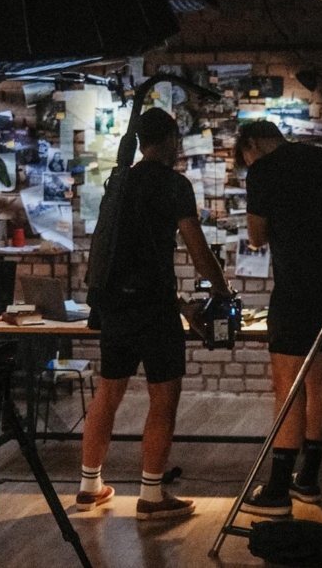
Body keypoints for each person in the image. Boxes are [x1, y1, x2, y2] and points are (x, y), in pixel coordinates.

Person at [77, 108, 231, 520]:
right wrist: (222, 289)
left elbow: (123, 254)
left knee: (107, 393)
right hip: (153, 309)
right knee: (163, 399)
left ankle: (89, 486)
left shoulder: (119, 180)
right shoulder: (174, 185)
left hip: (115, 305)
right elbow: (197, 250)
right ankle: (151, 496)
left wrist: (181, 304)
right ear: (170, 140)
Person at [234, 121, 322, 516]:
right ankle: (309, 480)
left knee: (287, 384)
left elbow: (255, 236)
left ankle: (278, 490)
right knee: (319, 379)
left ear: (251, 145)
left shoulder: (263, 170)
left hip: (294, 284)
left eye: (246, 156)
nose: (249, 162)